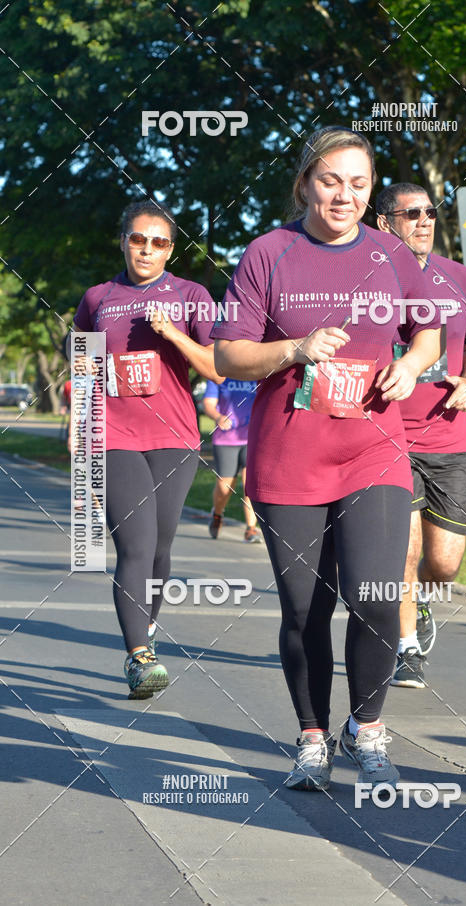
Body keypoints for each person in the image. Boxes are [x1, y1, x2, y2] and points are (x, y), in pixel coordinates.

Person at [212, 126, 442, 791]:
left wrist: (411, 366)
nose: (345, 195)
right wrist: (295, 348)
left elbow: (428, 333)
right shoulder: (269, 253)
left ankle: (366, 728)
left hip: (373, 449)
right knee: (304, 608)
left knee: (375, 598)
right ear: (305, 183)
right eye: (331, 180)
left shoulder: (392, 252)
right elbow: (229, 354)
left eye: (359, 183)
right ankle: (313, 737)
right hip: (291, 455)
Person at [71, 199, 221, 699]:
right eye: (138, 239)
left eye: (158, 242)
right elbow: (81, 359)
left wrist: (173, 333)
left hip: (175, 437)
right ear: (123, 241)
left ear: (170, 249)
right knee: (134, 545)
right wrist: (78, 423)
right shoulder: (98, 298)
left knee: (159, 548)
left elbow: (217, 368)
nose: (146, 249)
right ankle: (138, 656)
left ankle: (147, 629)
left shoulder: (192, 295)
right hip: (113, 435)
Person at [376, 183, 466, 688]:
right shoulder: (367, 281)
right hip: (387, 435)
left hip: (450, 438)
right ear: (385, 223)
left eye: (431, 212)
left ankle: (421, 599)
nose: (425, 221)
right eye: (412, 213)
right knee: (404, 550)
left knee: (443, 564)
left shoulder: (461, 278)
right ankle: (406, 648)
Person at [202, 377, 261, 542]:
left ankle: (251, 529)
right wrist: (218, 417)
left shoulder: (255, 374)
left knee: (250, 484)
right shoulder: (219, 376)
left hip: (252, 438)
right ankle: (217, 514)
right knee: (225, 487)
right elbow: (208, 404)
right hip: (226, 439)